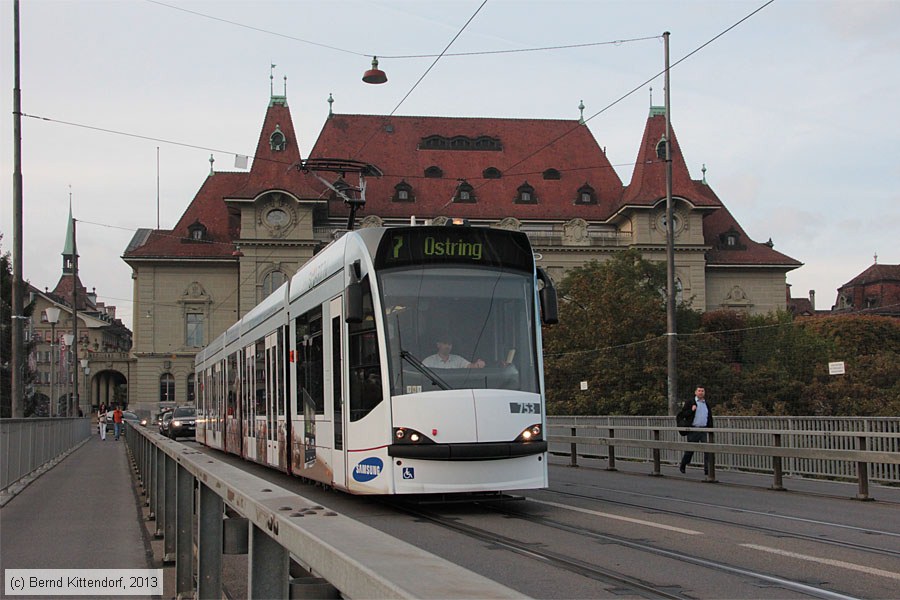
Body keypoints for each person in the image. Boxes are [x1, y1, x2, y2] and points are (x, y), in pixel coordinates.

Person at [677, 386, 713, 474]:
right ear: (695, 392)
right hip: (693, 429)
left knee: (707, 449)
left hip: (703, 429)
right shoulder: (690, 402)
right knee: (690, 450)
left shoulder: (706, 403)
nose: (701, 392)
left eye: (702, 391)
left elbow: (709, 417)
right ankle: (683, 464)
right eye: (699, 391)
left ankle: (707, 469)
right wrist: (691, 410)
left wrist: (711, 429)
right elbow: (682, 414)